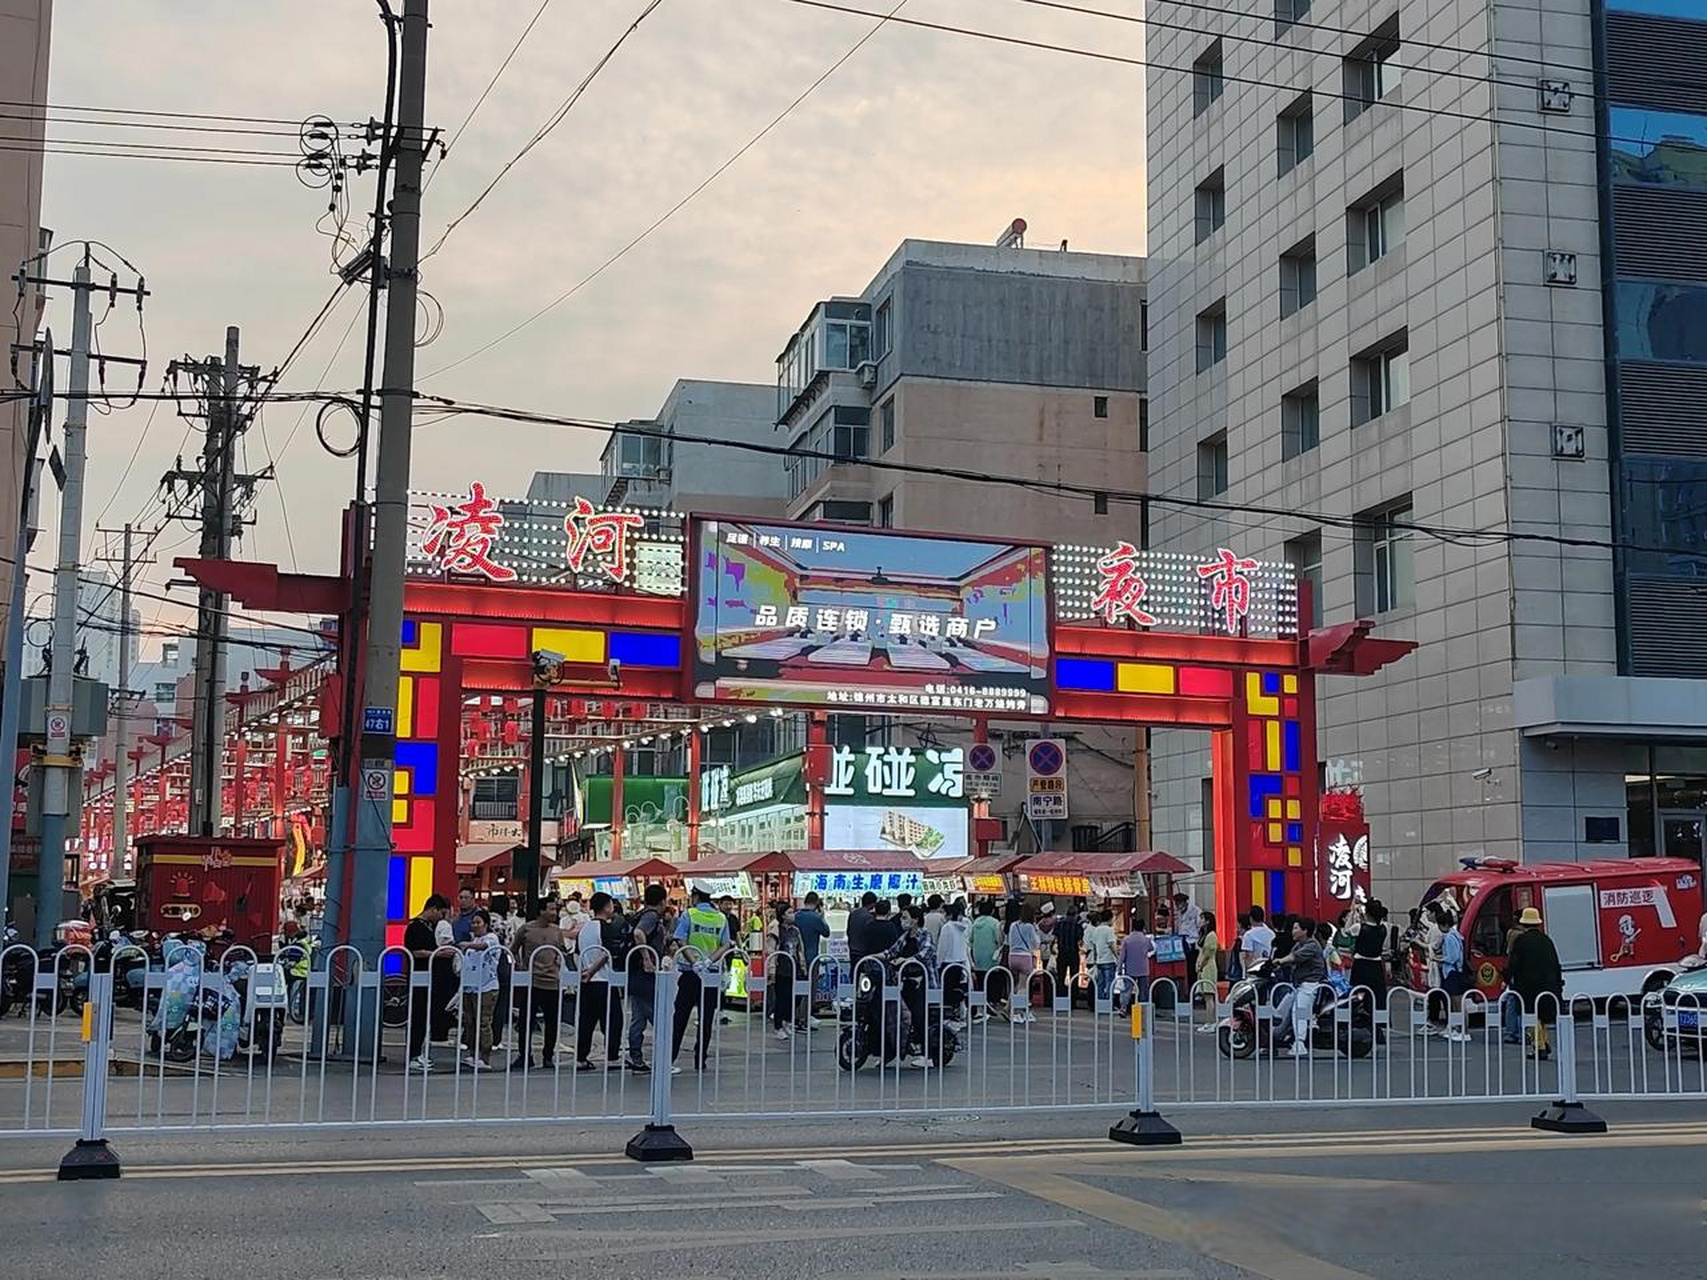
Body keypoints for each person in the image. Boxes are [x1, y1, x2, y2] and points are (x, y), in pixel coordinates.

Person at [672, 888, 733, 1073]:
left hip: (691, 973)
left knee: (680, 1017)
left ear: (696, 897)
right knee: (706, 1019)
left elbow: (680, 940)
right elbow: (726, 944)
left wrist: (694, 961)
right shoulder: (721, 918)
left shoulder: (689, 914)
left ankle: (670, 1057)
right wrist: (709, 961)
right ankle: (701, 1060)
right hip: (711, 974)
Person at [877, 904, 939, 1066]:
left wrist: (906, 960)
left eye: (905, 917)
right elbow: (891, 951)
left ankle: (928, 1056)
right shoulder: (904, 937)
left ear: (916, 919)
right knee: (893, 1016)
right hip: (905, 983)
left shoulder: (925, 935)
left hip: (924, 983)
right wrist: (873, 956)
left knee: (919, 1016)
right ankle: (890, 1053)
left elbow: (925, 953)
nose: (902, 920)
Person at [510, 898, 565, 1071]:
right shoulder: (526, 929)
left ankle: (548, 1056)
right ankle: (524, 1055)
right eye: (550, 909)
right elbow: (513, 948)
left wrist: (557, 963)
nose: (554, 913)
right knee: (527, 1021)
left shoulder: (557, 931)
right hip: (532, 982)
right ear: (541, 911)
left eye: (555, 910)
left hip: (552, 982)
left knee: (552, 1022)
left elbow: (562, 950)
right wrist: (520, 966)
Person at [574, 893, 625, 1071]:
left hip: (586, 982)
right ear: (606, 906)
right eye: (611, 904)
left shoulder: (584, 928)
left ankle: (581, 1058)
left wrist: (583, 972)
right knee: (613, 1020)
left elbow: (577, 953)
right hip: (602, 980)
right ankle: (612, 1056)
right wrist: (592, 971)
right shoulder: (605, 928)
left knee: (587, 1020)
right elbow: (606, 953)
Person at [1504, 906, 1563, 1060]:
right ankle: (1544, 1040)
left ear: (1523, 924)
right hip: (1548, 984)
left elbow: (1513, 963)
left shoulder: (1521, 941)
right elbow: (1556, 964)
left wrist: (1506, 978)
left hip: (1528, 985)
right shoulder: (1546, 940)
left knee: (1531, 1015)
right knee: (1543, 1016)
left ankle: (1539, 1046)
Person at [625, 883, 669, 1072]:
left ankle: (636, 1057)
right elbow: (638, 933)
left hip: (636, 974)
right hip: (645, 974)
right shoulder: (650, 916)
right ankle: (663, 1055)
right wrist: (646, 958)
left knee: (639, 1018)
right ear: (662, 901)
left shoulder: (640, 914)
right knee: (656, 1016)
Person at [404, 894, 451, 1071]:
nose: (441, 917)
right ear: (433, 909)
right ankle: (413, 1054)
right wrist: (436, 954)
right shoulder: (415, 927)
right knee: (417, 1015)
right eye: (440, 913)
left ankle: (418, 1052)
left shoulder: (429, 926)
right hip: (418, 976)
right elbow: (414, 952)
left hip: (428, 977)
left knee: (424, 1016)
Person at [1273, 916, 1327, 1057]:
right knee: (1280, 1012)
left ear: (1305, 931)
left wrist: (1279, 961)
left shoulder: (1312, 945)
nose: (1293, 931)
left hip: (1311, 985)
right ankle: (1273, 1040)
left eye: (1296, 928)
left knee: (1299, 1010)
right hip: (1298, 985)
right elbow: (1290, 958)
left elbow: (1294, 957)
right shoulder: (1299, 944)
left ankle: (1300, 1043)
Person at [457, 910, 503, 1070]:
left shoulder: (491, 938)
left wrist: (468, 945)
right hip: (470, 987)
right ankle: (472, 1053)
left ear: (486, 924)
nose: (475, 925)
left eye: (478, 922)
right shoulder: (473, 939)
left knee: (483, 1022)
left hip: (487, 987)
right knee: (470, 1022)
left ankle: (485, 1057)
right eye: (473, 922)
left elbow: (484, 946)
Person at [766, 901, 806, 1041]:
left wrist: (803, 966)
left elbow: (800, 950)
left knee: (795, 997)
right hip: (781, 969)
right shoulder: (776, 930)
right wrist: (771, 971)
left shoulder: (795, 930)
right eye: (789, 912)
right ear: (782, 916)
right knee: (782, 998)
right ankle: (778, 1027)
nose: (792, 915)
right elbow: (771, 951)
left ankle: (788, 1021)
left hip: (795, 969)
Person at [1350, 900, 1390, 1036]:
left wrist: (1352, 911)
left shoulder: (1359, 928)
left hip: (1361, 965)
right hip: (1376, 966)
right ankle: (1378, 1028)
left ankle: (1359, 1022)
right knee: (1377, 996)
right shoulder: (1383, 929)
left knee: (1359, 994)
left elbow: (1346, 931)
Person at [937, 898, 972, 1027]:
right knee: (958, 991)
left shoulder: (947, 928)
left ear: (950, 915)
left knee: (947, 992)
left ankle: (948, 1017)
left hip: (947, 964)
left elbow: (942, 947)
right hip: (960, 962)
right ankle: (958, 1015)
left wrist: (938, 963)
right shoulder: (962, 928)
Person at [1005, 903, 1042, 1023]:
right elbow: (1036, 944)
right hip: (1024, 957)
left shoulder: (1013, 925)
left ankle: (1008, 1007)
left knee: (1016, 985)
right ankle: (1017, 1011)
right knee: (1023, 986)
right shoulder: (1030, 927)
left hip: (1012, 956)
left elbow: (1009, 941)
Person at [968, 900, 1004, 1021]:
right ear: (992, 911)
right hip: (991, 957)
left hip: (977, 957)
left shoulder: (975, 923)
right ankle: (989, 1002)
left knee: (980, 981)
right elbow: (999, 940)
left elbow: (970, 940)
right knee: (991, 981)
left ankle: (981, 1004)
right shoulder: (995, 923)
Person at [1052, 899, 1086, 1006]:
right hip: (1073, 954)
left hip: (1062, 954)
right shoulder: (1077, 925)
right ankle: (1072, 1001)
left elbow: (1054, 938)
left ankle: (1060, 999)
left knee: (1061, 977)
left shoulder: (1060, 924)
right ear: (1075, 914)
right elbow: (1080, 941)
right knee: (1074, 977)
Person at [1119, 914, 1155, 1008]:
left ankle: (1123, 1007)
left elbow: (1122, 956)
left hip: (1130, 968)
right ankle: (1144, 1007)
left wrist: (1119, 969)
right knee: (1144, 990)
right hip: (1143, 968)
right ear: (1143, 928)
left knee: (1127, 989)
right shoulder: (1145, 939)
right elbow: (1151, 949)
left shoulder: (1126, 939)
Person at [1084, 909, 1119, 1004]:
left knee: (1100, 984)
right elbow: (1112, 945)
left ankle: (1100, 1004)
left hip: (1099, 960)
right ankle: (1108, 1003)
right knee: (1109, 984)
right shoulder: (1109, 930)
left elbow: (1094, 945)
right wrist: (1117, 957)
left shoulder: (1096, 930)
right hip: (1109, 960)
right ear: (1110, 918)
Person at [1194, 911, 1221, 1026]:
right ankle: (1209, 1021)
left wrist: (1201, 965)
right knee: (1206, 997)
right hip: (1203, 967)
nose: (1199, 921)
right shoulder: (1203, 934)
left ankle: (1211, 1022)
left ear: (1207, 921)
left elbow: (1208, 953)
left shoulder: (1211, 936)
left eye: (1202, 919)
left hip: (1208, 967)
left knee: (1209, 996)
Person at [1173, 893, 1202, 986]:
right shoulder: (1178, 913)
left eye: (1179, 903)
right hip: (1180, 941)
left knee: (1191, 968)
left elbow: (1199, 927)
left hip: (1192, 942)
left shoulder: (1195, 911)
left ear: (1185, 902)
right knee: (1181, 968)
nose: (1177, 906)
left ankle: (1192, 989)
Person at [846, 891, 878, 969]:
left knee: (854, 972)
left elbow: (848, 930)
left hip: (852, 948)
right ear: (873, 904)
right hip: (863, 950)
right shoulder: (869, 917)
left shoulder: (853, 914)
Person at [1241, 905, 1276, 973]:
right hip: (1269, 968)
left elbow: (1249, 955)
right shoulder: (1271, 933)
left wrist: (1247, 971)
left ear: (1251, 918)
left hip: (1255, 969)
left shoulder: (1249, 935)